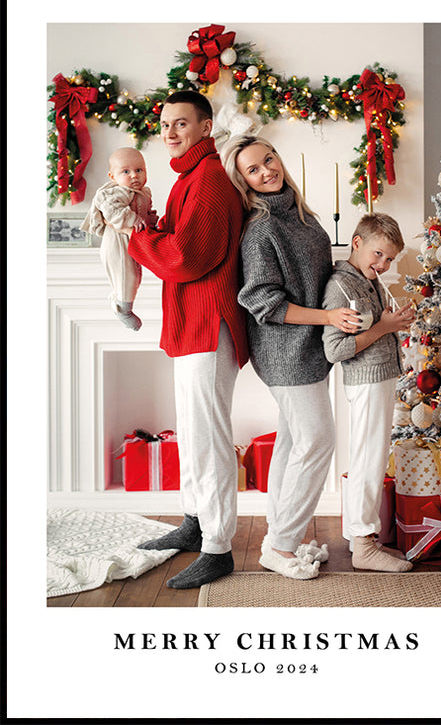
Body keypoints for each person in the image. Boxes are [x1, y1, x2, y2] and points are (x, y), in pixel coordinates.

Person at [116, 91, 249, 589]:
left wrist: (135, 237)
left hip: (208, 324)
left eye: (181, 123)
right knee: (191, 430)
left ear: (206, 127)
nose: (170, 133)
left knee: (207, 436)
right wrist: (150, 226)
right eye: (165, 125)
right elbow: (176, 241)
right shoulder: (187, 179)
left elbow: (187, 257)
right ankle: (195, 523)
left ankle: (217, 547)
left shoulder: (209, 180)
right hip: (192, 323)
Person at [221, 135, 360, 580]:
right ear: (243, 182)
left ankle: (280, 535)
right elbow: (264, 301)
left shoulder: (301, 213)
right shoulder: (262, 228)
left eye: (268, 160)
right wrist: (328, 317)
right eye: (253, 170)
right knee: (318, 440)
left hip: (309, 347)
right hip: (284, 352)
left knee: (292, 442)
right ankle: (280, 546)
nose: (266, 171)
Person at [322, 212, 416, 572]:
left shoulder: (366, 280)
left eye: (390, 258)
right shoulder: (340, 287)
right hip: (366, 380)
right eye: (378, 254)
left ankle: (361, 537)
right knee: (367, 459)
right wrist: (384, 326)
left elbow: (374, 327)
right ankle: (364, 546)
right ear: (357, 243)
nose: (384, 264)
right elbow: (336, 350)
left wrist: (392, 323)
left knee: (371, 457)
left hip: (380, 376)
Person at [81, 147, 158, 330]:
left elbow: (146, 212)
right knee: (126, 274)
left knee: (135, 275)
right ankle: (123, 309)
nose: (134, 176)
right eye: (126, 171)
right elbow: (111, 209)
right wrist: (133, 219)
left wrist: (151, 220)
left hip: (130, 241)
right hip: (116, 242)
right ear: (113, 177)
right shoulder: (118, 192)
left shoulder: (144, 193)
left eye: (139, 170)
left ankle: (121, 301)